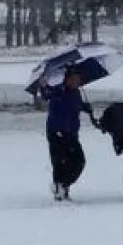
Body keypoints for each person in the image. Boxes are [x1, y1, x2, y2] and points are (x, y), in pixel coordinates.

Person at [38, 65, 93, 201]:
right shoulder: (59, 91)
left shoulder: (77, 93)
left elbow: (77, 105)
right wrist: (43, 86)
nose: (76, 82)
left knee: (78, 162)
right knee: (59, 164)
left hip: (71, 134)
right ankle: (60, 191)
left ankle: (63, 185)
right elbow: (46, 94)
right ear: (67, 79)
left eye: (78, 80)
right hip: (56, 133)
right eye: (73, 79)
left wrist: (86, 107)